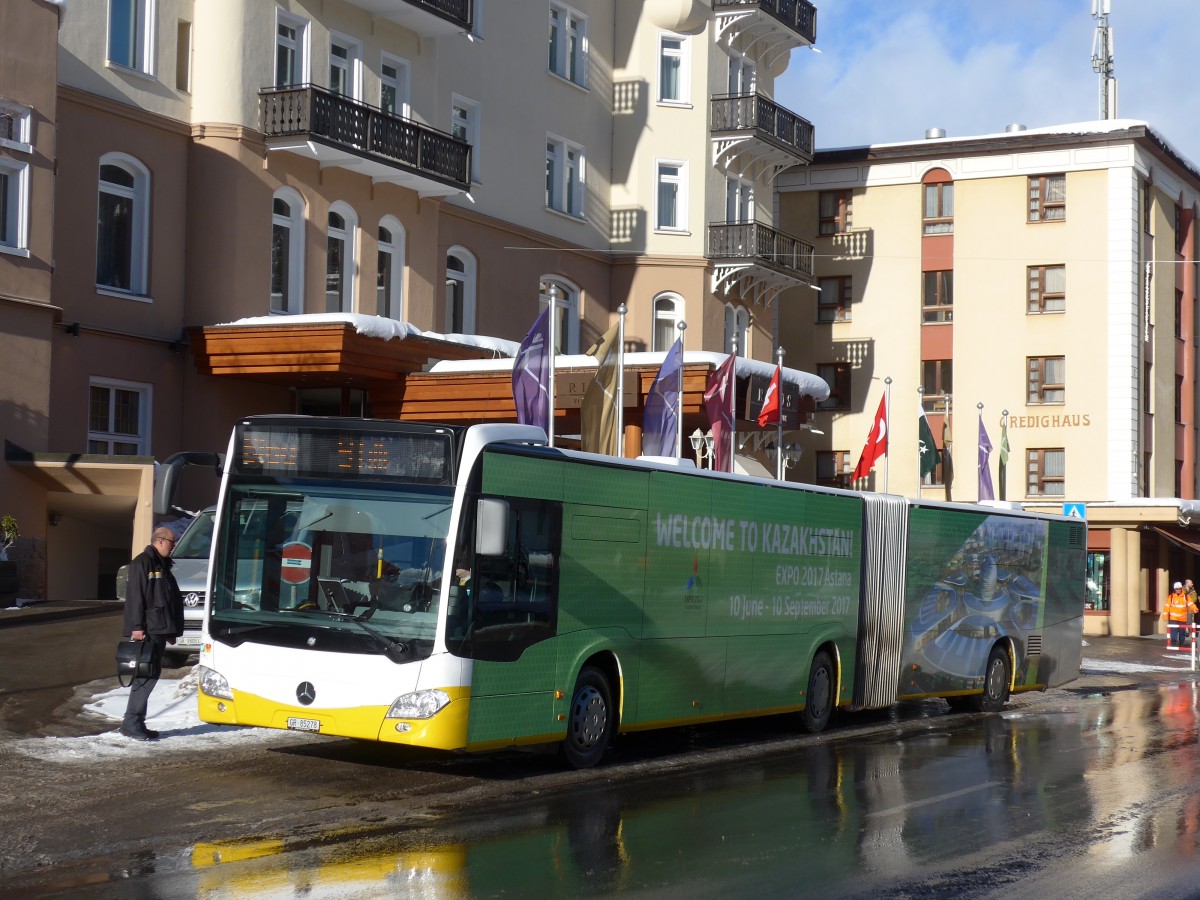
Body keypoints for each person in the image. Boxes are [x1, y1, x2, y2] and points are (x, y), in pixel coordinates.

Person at [120, 526, 184, 740]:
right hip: (148, 630)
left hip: (159, 629)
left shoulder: (161, 564)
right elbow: (136, 597)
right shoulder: (143, 563)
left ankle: (137, 722)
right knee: (145, 675)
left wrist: (172, 629)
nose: (173, 547)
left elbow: (168, 599)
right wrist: (136, 627)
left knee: (151, 674)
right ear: (160, 541)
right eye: (172, 542)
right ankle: (131, 722)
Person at [1161, 581, 1198, 650]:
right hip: (1173, 617)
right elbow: (1167, 606)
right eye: (1177, 589)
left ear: (1181, 588)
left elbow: (1191, 604)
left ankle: (1181, 642)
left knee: (1182, 631)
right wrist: (1164, 615)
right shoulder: (1171, 596)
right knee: (1173, 630)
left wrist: (1195, 609)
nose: (1178, 590)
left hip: (1182, 618)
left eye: (1179, 588)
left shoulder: (1185, 597)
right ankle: (1173, 643)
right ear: (1175, 589)